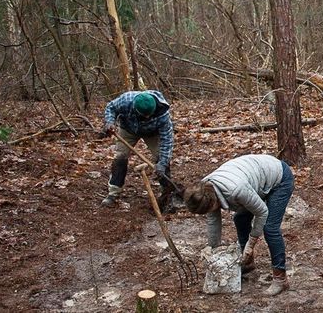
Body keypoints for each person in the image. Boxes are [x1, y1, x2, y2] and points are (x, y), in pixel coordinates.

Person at [183, 154, 294, 295]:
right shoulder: (205, 190)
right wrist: (212, 251)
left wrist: (251, 243)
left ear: (214, 201)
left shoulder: (236, 190)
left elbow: (262, 212)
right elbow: (213, 220)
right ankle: (247, 263)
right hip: (255, 180)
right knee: (240, 218)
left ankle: (280, 278)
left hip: (279, 178)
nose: (210, 213)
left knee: (270, 228)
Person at [101, 90, 176, 210]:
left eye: (148, 116)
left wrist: (162, 163)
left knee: (160, 158)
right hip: (128, 130)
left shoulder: (163, 115)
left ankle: (167, 194)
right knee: (120, 157)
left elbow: (167, 141)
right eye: (143, 116)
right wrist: (110, 122)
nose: (146, 118)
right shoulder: (126, 100)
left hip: (152, 132)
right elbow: (111, 107)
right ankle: (113, 193)